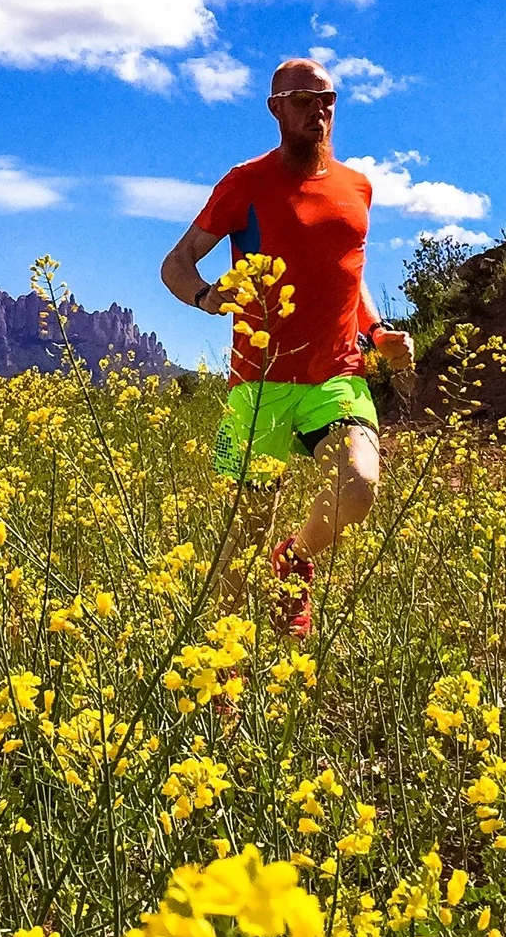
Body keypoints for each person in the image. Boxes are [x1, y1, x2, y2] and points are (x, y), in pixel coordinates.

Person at [160, 57, 415, 636]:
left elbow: (348, 273)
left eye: (326, 98)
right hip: (258, 384)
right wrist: (206, 298)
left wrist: (375, 333)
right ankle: (220, 670)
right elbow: (175, 265)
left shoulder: (358, 187)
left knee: (360, 487)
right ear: (277, 109)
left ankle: (296, 559)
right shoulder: (245, 183)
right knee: (241, 541)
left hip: (336, 377)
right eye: (302, 99)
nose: (317, 110)